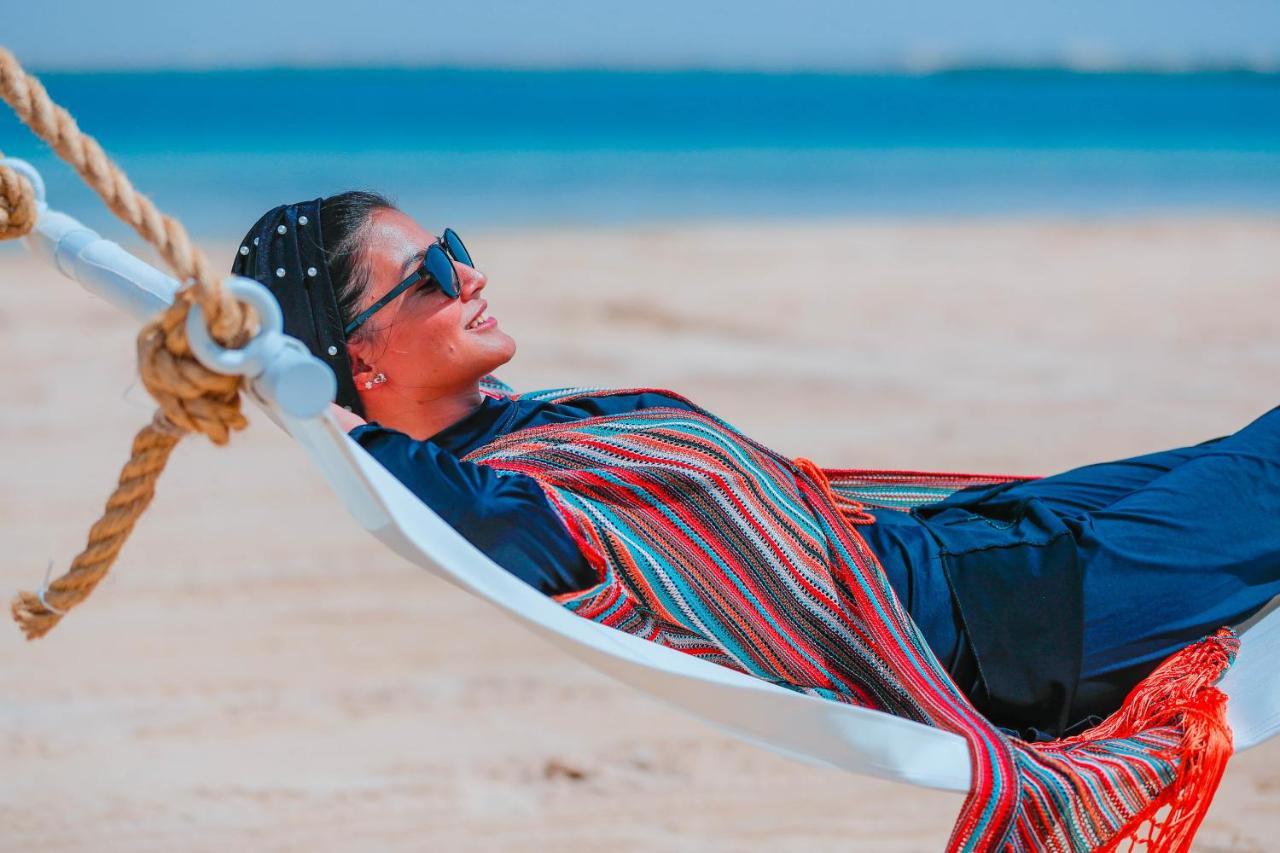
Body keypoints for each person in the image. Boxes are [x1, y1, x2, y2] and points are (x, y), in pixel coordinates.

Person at [232, 191, 1280, 742]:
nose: (470, 272)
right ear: (359, 356)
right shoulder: (504, 502)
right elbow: (420, 483)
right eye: (429, 272)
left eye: (452, 242)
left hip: (966, 541)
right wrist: (283, 383)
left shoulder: (519, 430)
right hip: (1004, 622)